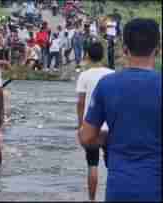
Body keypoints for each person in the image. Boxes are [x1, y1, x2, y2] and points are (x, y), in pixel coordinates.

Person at [80, 18, 161, 201]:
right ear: (158, 49)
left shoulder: (107, 85)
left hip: (120, 189)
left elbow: (86, 137)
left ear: (124, 49)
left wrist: (110, 135)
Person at [76, 41, 114, 201]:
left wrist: (80, 125)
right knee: (113, 167)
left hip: (91, 126)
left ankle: (92, 200)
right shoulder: (112, 74)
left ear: (88, 56)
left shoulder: (84, 75)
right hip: (110, 127)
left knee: (92, 165)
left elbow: (81, 103)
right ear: (103, 56)